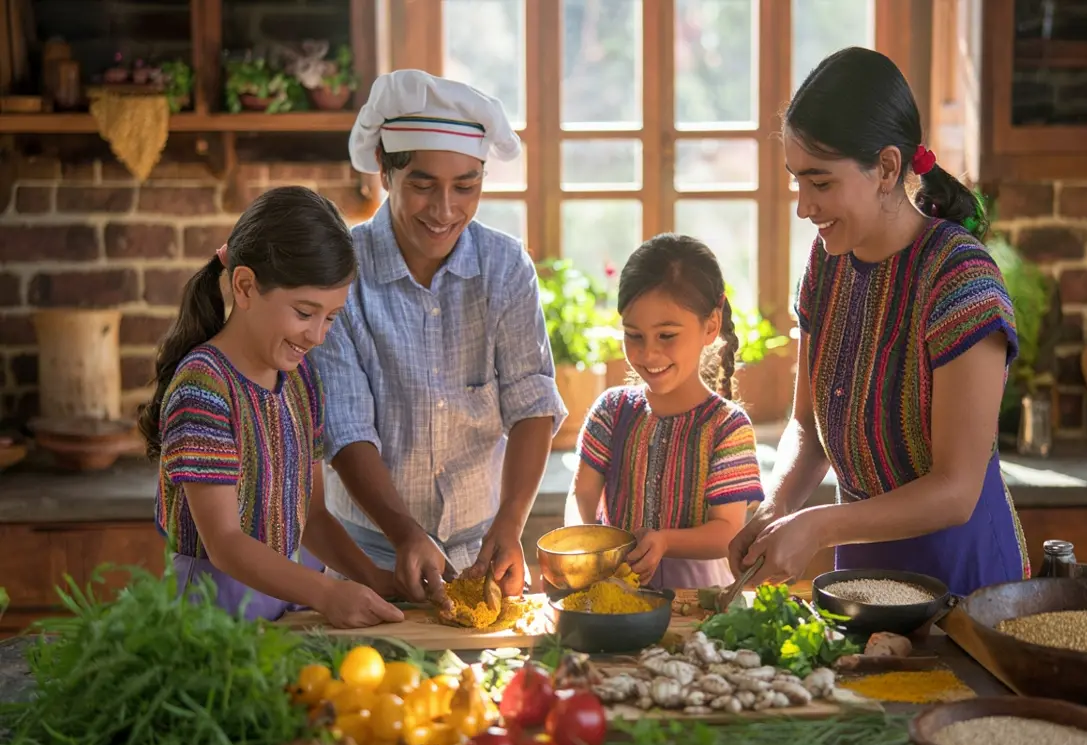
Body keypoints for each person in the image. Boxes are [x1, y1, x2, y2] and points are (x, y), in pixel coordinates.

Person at [728, 47, 1027, 597]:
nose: (802, 206)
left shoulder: (960, 279)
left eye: (820, 183)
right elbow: (808, 428)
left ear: (887, 168)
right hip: (862, 581)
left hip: (964, 582)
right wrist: (777, 507)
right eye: (797, 181)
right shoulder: (826, 265)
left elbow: (956, 490)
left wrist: (818, 524)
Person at [312, 69, 567, 606]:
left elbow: (531, 403)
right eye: (423, 185)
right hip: (369, 553)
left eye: (465, 187)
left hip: (483, 550)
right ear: (385, 170)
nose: (445, 209)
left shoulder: (506, 268)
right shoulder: (342, 272)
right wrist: (405, 535)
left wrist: (510, 522)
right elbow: (346, 429)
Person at [140, 186, 405, 628]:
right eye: (304, 312)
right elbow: (224, 542)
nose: (317, 335)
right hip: (211, 621)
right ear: (244, 286)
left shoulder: (301, 381)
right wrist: (325, 592)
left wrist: (376, 579)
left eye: (331, 317)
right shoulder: (204, 388)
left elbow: (314, 517)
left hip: (289, 609)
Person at [565, 234, 765, 589]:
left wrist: (665, 541)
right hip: (612, 591)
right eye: (634, 336)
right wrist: (581, 549)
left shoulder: (728, 427)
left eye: (667, 336)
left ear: (711, 326)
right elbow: (582, 495)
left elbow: (728, 531)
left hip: (698, 601)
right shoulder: (610, 412)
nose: (648, 355)